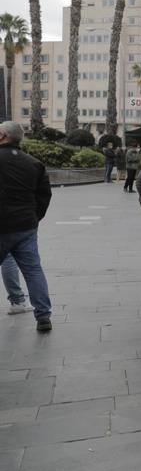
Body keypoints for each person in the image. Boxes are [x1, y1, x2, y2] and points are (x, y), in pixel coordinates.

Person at [0, 121, 53, 332]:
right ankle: (43, 316)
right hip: (26, 226)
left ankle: (20, 302)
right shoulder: (34, 163)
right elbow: (44, 196)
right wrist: (34, 217)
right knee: (33, 270)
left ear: (2, 135)